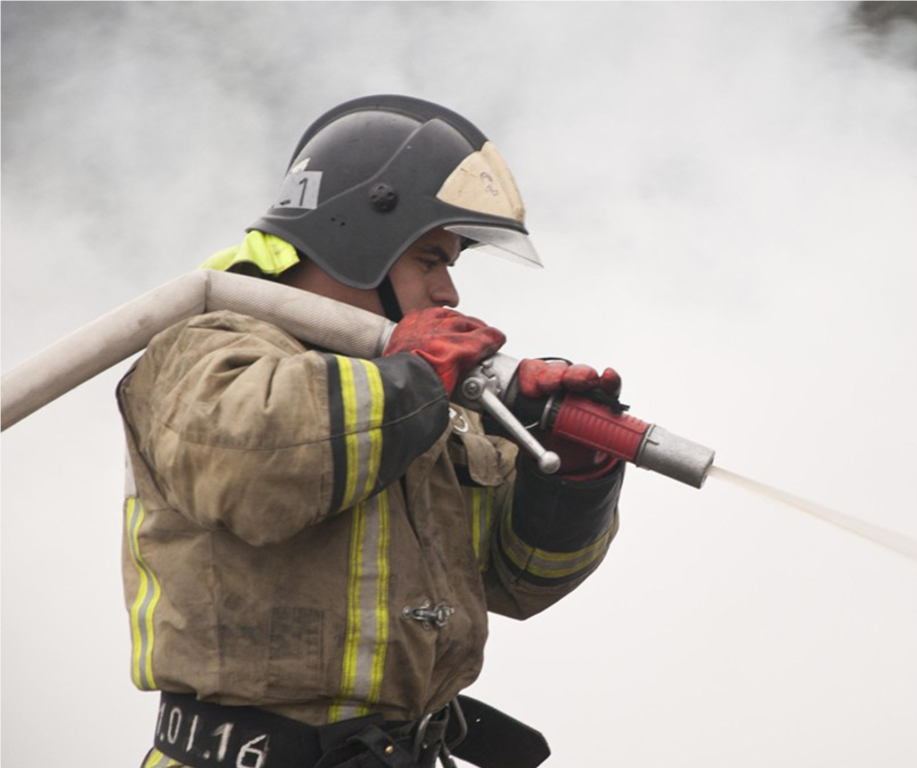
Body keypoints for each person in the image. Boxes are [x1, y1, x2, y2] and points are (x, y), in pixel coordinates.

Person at [120, 95, 625, 768]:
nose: (449, 292)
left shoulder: (420, 394)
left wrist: (569, 477)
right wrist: (414, 379)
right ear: (358, 238)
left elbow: (519, 581)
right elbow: (258, 469)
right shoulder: (203, 349)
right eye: (429, 259)